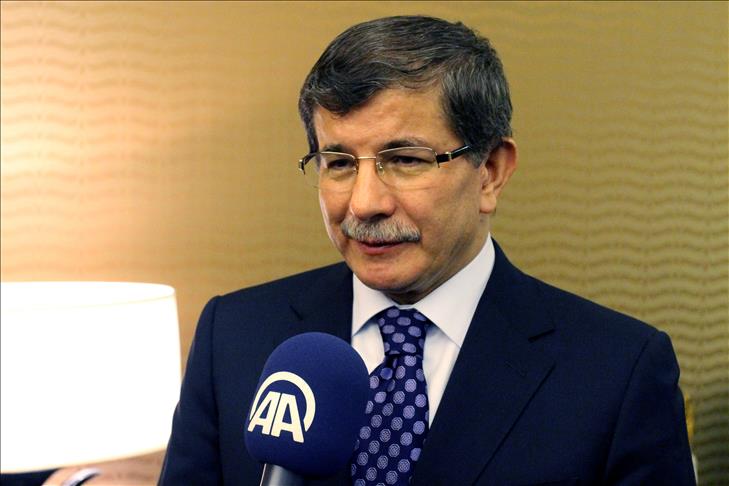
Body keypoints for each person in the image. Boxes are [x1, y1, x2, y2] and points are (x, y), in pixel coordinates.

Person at [159, 15, 695, 485]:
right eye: (339, 163)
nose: (364, 204)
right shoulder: (233, 336)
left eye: (405, 160)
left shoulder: (619, 371)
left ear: (491, 172)